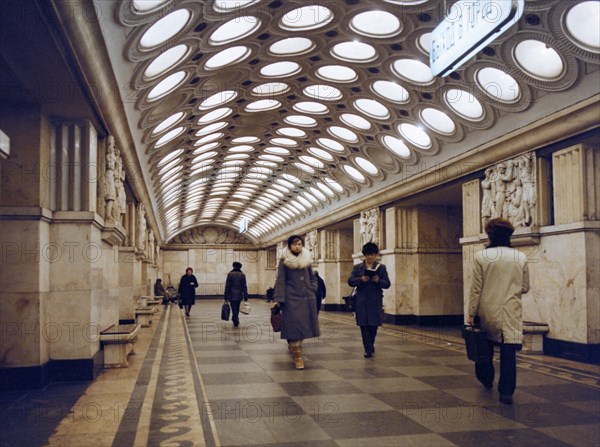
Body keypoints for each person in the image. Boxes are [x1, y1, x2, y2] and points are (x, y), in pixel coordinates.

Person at [467, 218, 529, 405]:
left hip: (487, 309)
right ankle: (506, 392)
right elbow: (525, 287)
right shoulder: (521, 257)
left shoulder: (481, 257)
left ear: (490, 235)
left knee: (484, 346)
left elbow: (476, 289)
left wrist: (471, 312)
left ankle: (486, 378)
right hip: (511, 310)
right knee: (508, 352)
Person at [273, 235, 320, 370]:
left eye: (299, 244)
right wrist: (279, 298)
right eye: (294, 245)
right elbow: (280, 280)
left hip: (307, 298)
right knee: (294, 328)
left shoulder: (307, 258)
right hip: (291, 299)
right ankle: (298, 357)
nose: (297, 247)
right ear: (289, 246)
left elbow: (312, 277)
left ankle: (296, 347)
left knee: (304, 328)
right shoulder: (284, 260)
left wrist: (313, 288)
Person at [348, 242, 390, 358]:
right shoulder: (358, 267)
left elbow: (387, 284)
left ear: (375, 255)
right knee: (364, 325)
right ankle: (368, 349)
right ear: (364, 255)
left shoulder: (381, 268)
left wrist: (378, 280)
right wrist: (361, 279)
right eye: (367, 254)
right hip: (361, 300)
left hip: (375, 300)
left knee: (373, 325)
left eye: (372, 254)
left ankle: (370, 344)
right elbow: (350, 281)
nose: (370, 257)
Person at [224, 261, 248, 327]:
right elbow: (244, 286)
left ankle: (235, 318)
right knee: (237, 307)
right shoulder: (242, 275)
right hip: (239, 294)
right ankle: (235, 317)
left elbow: (227, 285)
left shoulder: (230, 274)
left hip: (231, 294)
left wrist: (225, 295)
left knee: (233, 307)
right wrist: (246, 295)